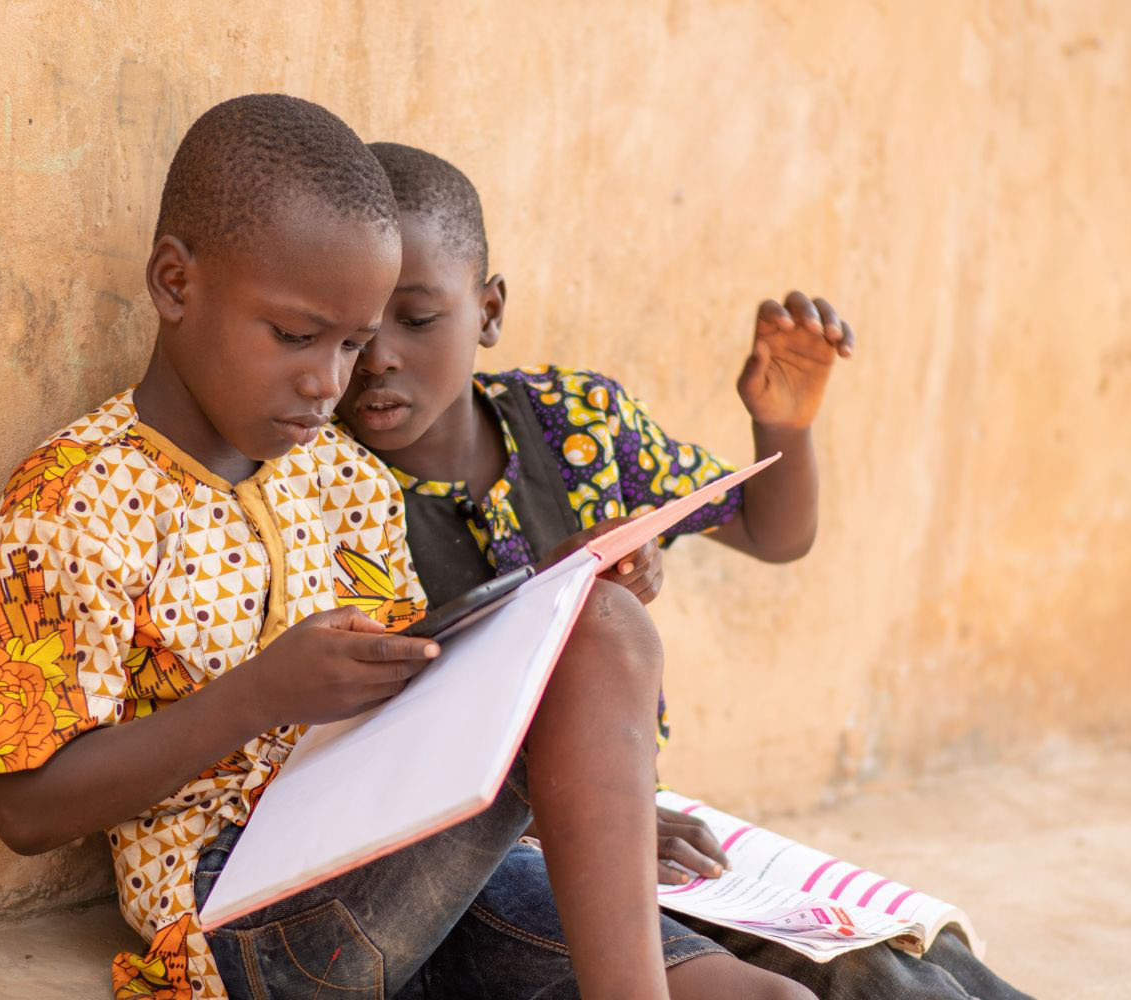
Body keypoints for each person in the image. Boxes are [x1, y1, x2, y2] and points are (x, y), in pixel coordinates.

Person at [0, 95, 788, 1000]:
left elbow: (415, 706)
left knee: (766, 993)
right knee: (597, 633)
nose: (330, 382)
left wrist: (546, 605)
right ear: (175, 282)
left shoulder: (344, 478)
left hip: (405, 854)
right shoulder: (73, 501)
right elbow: (26, 807)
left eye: (353, 344)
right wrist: (260, 695)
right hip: (245, 911)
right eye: (293, 336)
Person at [335, 140, 1035, 1000]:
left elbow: (772, 532)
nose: (377, 360)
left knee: (901, 963)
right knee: (803, 975)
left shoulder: (576, 420)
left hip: (634, 825)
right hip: (480, 871)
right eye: (354, 330)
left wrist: (784, 427)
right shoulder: (328, 492)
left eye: (416, 318)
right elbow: (374, 749)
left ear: (487, 310)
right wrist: (548, 606)